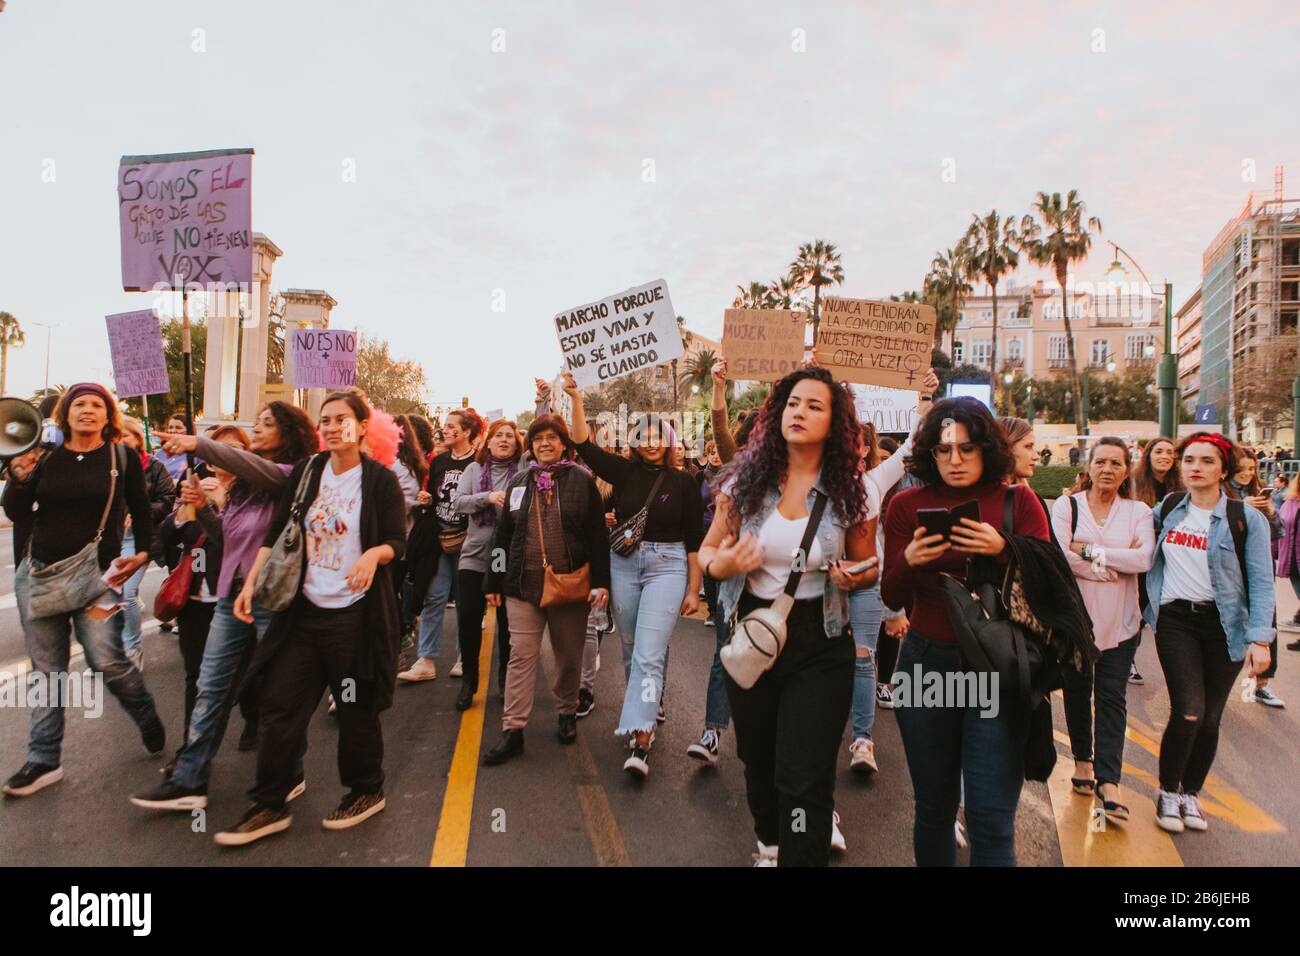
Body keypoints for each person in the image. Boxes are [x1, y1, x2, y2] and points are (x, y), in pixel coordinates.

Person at [698, 366, 877, 866]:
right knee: (759, 759)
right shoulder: (743, 481)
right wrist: (723, 563)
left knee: (805, 774)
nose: (799, 412)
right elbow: (707, 552)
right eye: (794, 403)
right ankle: (770, 845)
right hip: (751, 634)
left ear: (834, 422)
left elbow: (869, 565)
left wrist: (854, 576)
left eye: (814, 406)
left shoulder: (852, 491)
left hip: (821, 641)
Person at [212, 390, 407, 845]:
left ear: (362, 427)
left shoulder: (378, 481)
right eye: (326, 420)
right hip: (303, 612)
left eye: (343, 419)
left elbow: (396, 540)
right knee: (279, 706)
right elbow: (280, 532)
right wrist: (252, 583)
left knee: (356, 708)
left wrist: (372, 556)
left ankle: (365, 790)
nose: (333, 426)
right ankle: (271, 802)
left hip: (354, 618)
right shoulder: (307, 472)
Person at [881, 397, 1051, 866]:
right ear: (929, 454)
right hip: (926, 665)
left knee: (991, 821)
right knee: (934, 810)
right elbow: (892, 596)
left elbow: (1051, 586)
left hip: (998, 669)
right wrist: (908, 561)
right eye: (943, 450)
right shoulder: (906, 505)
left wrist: (1003, 550)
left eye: (967, 449)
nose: (955, 460)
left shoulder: (1020, 502)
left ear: (988, 449)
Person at [129, 402, 319, 811]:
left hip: (272, 598)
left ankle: (290, 771)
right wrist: (205, 507)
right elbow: (225, 540)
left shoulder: (290, 474)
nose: (260, 427)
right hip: (231, 595)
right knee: (210, 686)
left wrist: (198, 443)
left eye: (269, 423)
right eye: (259, 421)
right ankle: (189, 780)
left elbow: (244, 462)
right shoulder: (245, 486)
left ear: (290, 432)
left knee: (277, 692)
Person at [3, 383, 166, 797]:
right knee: (48, 671)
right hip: (39, 575)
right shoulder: (45, 458)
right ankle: (43, 760)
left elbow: (142, 508)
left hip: (99, 579)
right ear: (66, 413)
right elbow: (18, 512)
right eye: (80, 404)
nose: (88, 410)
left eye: (97, 404)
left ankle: (144, 712)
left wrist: (144, 552)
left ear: (108, 415)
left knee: (106, 660)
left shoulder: (120, 457)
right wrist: (18, 479)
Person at [564, 375, 702, 778]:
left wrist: (694, 589)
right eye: (643, 434)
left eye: (658, 434)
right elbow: (583, 445)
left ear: (670, 440)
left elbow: (695, 540)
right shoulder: (623, 473)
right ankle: (647, 698)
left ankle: (641, 738)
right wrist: (576, 397)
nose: (651, 440)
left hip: (668, 566)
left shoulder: (684, 483)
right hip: (624, 564)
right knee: (630, 647)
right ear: (635, 441)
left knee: (647, 652)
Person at [1144, 432, 1275, 833]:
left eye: (1205, 461)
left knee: (1211, 718)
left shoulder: (1245, 518)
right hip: (1176, 620)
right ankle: (1168, 790)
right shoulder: (1166, 508)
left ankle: (1190, 794)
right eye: (1189, 461)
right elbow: (1134, 546)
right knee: (1188, 710)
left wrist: (1260, 639)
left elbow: (1262, 580)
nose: (1195, 467)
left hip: (1227, 626)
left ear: (1222, 469)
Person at [481, 415, 610, 764]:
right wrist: (493, 580)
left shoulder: (582, 481)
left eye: (553, 438)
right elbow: (502, 536)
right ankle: (513, 729)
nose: (546, 444)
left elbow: (598, 536)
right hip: (522, 586)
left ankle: (567, 713)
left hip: (569, 586)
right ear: (532, 445)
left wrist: (601, 583)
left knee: (567, 657)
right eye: (539, 439)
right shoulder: (520, 481)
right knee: (521, 655)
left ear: (565, 444)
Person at [1052, 438, 1155, 822]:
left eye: (1116, 463)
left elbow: (1143, 557)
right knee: (1077, 690)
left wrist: (1091, 551)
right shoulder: (1068, 506)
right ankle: (1082, 761)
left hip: (1122, 623)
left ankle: (1109, 780)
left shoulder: (1138, 511)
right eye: (1101, 461)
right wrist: (1115, 564)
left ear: (1126, 470)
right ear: (1089, 466)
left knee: (1111, 697)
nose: (1107, 469)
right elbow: (1060, 554)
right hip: (1076, 621)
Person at [846, 372, 936, 776]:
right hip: (820, 588)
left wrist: (924, 398)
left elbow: (914, 446)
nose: (847, 444)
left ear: (865, 448)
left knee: (864, 659)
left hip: (866, 586)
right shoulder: (807, 481)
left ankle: (863, 741)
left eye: (854, 438)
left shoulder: (873, 483)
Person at [156, 425, 248, 763]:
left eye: (236, 447)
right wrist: (186, 507)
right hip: (195, 598)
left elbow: (235, 543)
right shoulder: (194, 487)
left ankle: (252, 720)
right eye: (219, 447)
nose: (227, 453)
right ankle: (189, 749)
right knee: (196, 677)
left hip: (235, 597)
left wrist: (220, 506)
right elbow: (165, 537)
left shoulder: (253, 492)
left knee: (244, 676)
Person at [401, 408, 483, 682]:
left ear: (467, 431)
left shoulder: (479, 462)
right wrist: (428, 499)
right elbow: (437, 496)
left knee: (465, 602)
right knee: (433, 597)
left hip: (468, 542)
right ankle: (426, 660)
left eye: (451, 426)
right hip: (438, 538)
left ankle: (465, 656)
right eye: (445, 426)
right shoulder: (439, 461)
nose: (445, 430)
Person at [452, 419, 522, 711]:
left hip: (508, 557)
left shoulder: (524, 472)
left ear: (517, 444)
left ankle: (505, 679)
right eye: (498, 436)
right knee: (468, 620)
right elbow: (459, 503)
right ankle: (470, 680)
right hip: (474, 556)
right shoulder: (473, 470)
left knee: (508, 624)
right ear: (488, 442)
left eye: (510, 436)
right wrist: (487, 497)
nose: (504, 440)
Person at [118, 416, 177, 671]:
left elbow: (166, 500)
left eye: (125, 436)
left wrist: (141, 511)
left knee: (125, 593)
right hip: (110, 538)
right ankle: (109, 652)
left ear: (137, 439)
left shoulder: (154, 467)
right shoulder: (106, 466)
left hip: (140, 538)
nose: (120, 441)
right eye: (115, 437)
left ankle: (132, 649)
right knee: (107, 596)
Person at [1230, 447, 1286, 708]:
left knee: (1266, 621)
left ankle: (1260, 683)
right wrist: (1241, 508)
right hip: (1227, 572)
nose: (1247, 473)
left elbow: (1278, 532)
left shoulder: (1259, 490)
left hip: (1257, 568)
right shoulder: (1219, 493)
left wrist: (1270, 513)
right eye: (1242, 468)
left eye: (1251, 469)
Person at [1132, 437, 1182, 508]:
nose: (1164, 456)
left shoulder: (1182, 485)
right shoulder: (1133, 483)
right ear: (1148, 456)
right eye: (1158, 452)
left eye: (1170, 453)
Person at [153, 416, 192, 483]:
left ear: (188, 430)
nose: (173, 431)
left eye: (178, 428)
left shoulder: (195, 454)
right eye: (170, 427)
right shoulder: (159, 454)